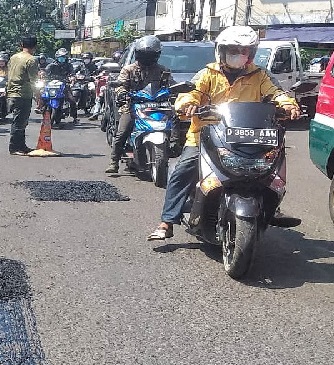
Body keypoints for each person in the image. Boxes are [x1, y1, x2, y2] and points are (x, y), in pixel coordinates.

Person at [147, 25, 301, 241]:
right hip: (206, 134)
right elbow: (191, 93)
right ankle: (167, 221)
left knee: (272, 166)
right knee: (184, 170)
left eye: (245, 51)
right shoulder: (207, 74)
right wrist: (189, 104)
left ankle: (270, 206)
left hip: (250, 134)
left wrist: (288, 105)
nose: (240, 55)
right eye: (234, 50)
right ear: (222, 51)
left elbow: (277, 94)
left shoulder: (260, 75)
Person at [105, 35, 173, 174]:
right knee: (123, 131)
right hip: (132, 105)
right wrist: (122, 93)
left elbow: (170, 84)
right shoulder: (128, 69)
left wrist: (177, 90)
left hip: (157, 105)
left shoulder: (162, 70)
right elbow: (121, 84)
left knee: (176, 119)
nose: (147, 58)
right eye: (144, 55)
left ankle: (174, 146)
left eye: (150, 55)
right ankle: (114, 161)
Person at [6, 35, 39, 155]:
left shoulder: (14, 57)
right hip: (23, 93)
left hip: (12, 92)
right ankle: (14, 148)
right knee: (19, 122)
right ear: (35, 46)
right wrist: (39, 97)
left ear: (22, 45)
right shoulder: (31, 60)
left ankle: (22, 146)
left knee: (21, 121)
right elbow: (34, 80)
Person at [43, 47, 78, 125]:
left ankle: (74, 117)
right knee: (41, 94)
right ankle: (41, 107)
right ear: (57, 57)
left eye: (63, 57)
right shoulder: (51, 65)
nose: (62, 59)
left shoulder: (69, 66)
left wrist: (72, 78)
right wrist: (42, 76)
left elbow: (72, 74)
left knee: (72, 100)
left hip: (64, 85)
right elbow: (45, 72)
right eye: (60, 57)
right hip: (51, 85)